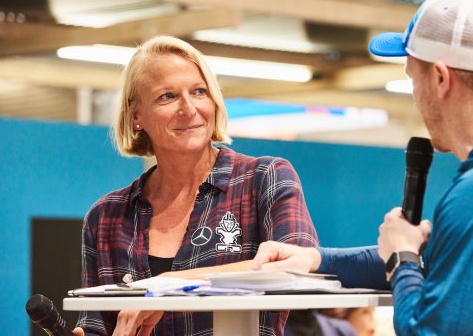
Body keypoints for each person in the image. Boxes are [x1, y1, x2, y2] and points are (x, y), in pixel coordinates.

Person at [252, 0, 473, 334]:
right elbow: (446, 263)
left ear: (440, 78)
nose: (415, 97)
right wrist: (318, 260)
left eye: (412, 78)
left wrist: (403, 259)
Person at [73, 35, 318, 335]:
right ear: (137, 117)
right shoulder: (107, 217)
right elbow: (97, 324)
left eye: (199, 92)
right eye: (167, 96)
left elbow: (297, 265)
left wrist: (170, 286)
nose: (188, 108)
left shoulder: (264, 179)